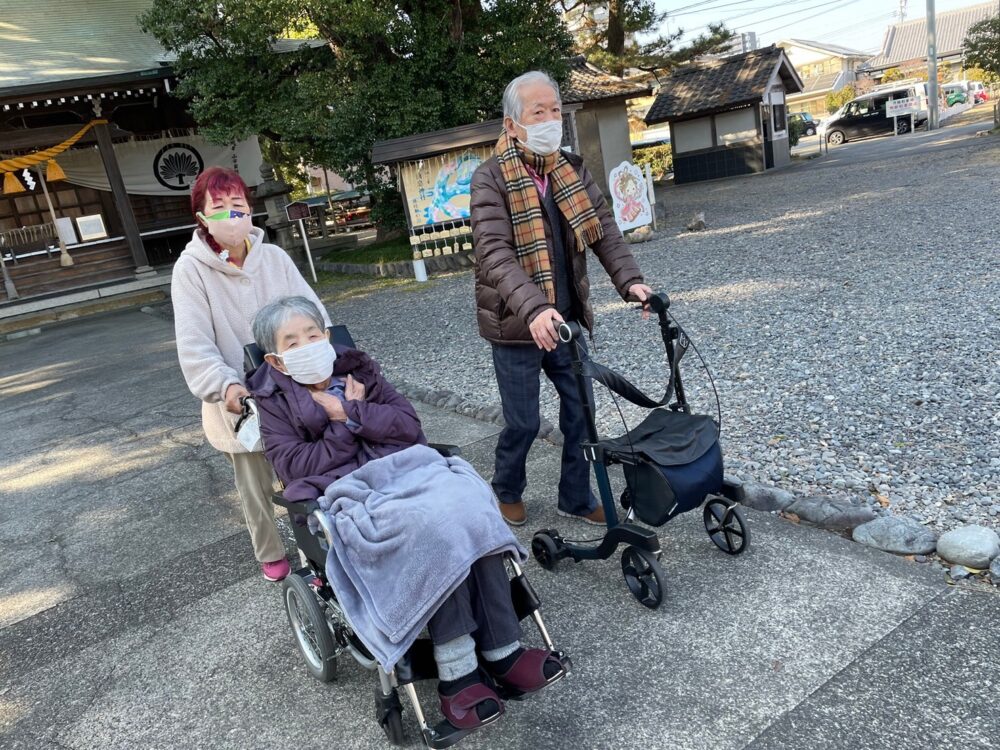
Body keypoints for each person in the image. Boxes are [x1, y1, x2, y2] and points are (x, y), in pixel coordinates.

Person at [245, 296, 565, 734]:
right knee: (428, 530)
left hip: (409, 473)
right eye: (292, 341)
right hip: (349, 494)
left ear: (327, 335)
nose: (308, 344)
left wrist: (353, 410)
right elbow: (295, 467)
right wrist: (344, 423)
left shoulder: (357, 369)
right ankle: (458, 674)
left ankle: (503, 649)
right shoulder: (273, 401)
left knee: (471, 507)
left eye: (314, 334)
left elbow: (409, 425)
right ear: (277, 360)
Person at [470, 70, 653, 527]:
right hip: (516, 326)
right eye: (538, 112)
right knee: (524, 422)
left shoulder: (571, 169)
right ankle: (506, 488)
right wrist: (533, 308)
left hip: (566, 318)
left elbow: (605, 231)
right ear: (512, 124)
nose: (551, 119)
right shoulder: (490, 178)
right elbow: (493, 252)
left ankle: (575, 495)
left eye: (555, 110)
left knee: (583, 414)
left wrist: (630, 281)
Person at [171, 166, 330, 582]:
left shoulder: (273, 258)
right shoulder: (192, 270)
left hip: (294, 386)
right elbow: (194, 341)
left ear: (250, 209)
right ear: (202, 217)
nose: (231, 215)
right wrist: (226, 385)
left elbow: (313, 312)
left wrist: (321, 354)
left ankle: (316, 546)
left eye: (237, 204)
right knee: (255, 482)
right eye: (218, 207)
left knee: (304, 471)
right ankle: (271, 552)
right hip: (239, 397)